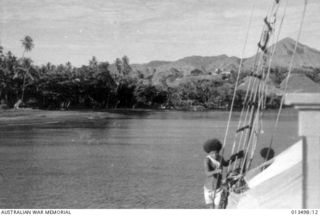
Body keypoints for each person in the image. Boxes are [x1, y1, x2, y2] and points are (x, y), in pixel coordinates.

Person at [203, 138, 244, 209]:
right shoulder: (207, 160)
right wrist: (216, 171)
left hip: (218, 189)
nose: (214, 155)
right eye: (212, 153)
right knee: (211, 208)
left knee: (217, 208)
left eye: (216, 152)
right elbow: (207, 173)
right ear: (209, 153)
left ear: (218, 151)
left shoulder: (220, 158)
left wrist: (235, 157)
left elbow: (226, 163)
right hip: (208, 190)